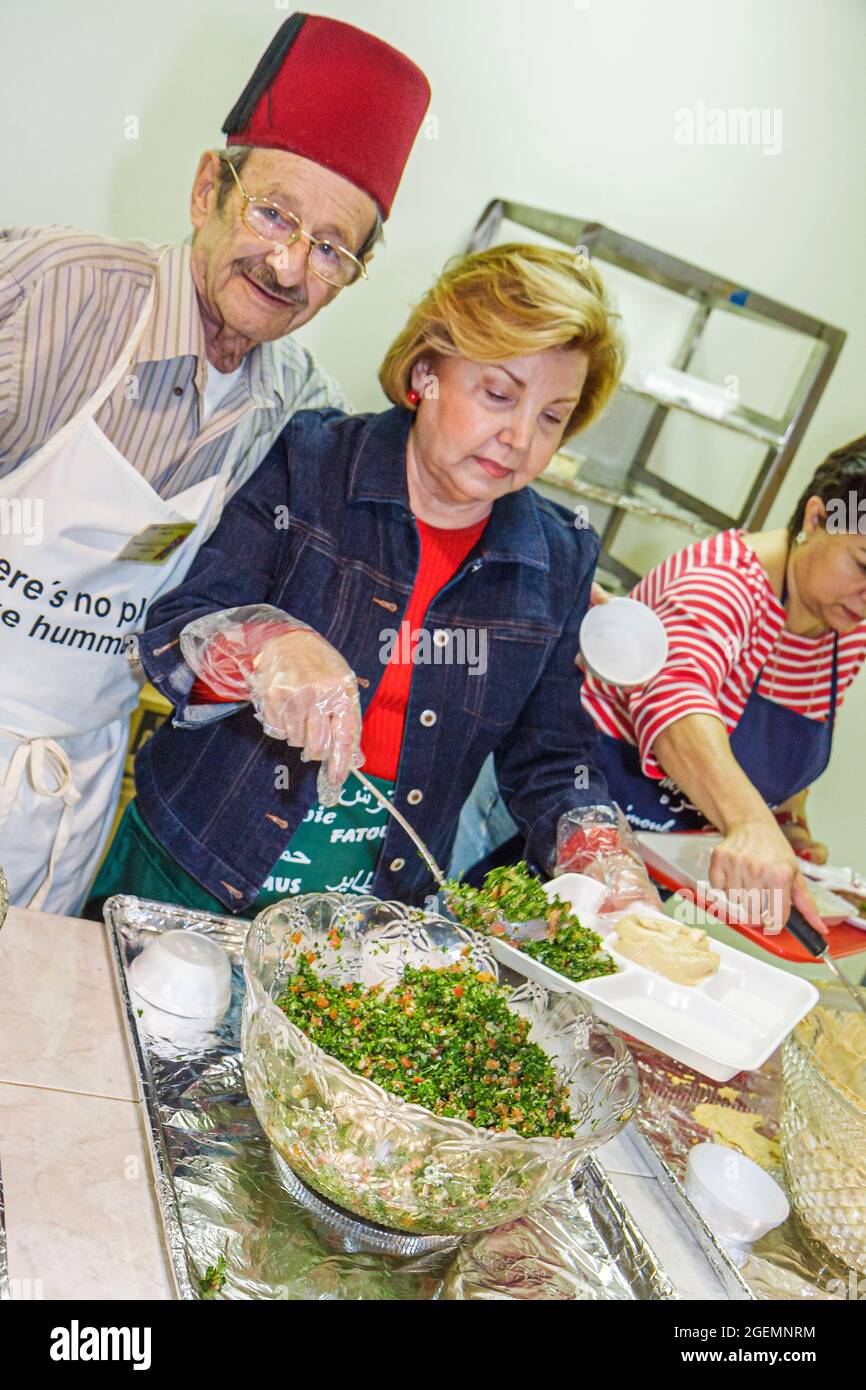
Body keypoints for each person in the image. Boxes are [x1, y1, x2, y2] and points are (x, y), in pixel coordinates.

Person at [0, 14, 430, 914]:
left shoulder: (295, 402)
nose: (285, 263)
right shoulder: (56, 291)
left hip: (72, 784)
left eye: (329, 247)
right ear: (208, 189)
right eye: (274, 212)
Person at [87, 243, 659, 919]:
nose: (519, 437)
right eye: (499, 394)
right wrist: (268, 645)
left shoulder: (559, 556)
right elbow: (177, 632)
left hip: (367, 924)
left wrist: (595, 843)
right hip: (191, 866)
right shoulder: (309, 462)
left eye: (552, 417)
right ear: (426, 372)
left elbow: (550, 756)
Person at [456, 438, 866, 935]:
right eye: (862, 565)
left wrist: (787, 827)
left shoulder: (844, 628)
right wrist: (751, 825)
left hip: (644, 871)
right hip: (548, 821)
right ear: (817, 519)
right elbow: (675, 703)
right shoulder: (721, 583)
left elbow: (790, 738)